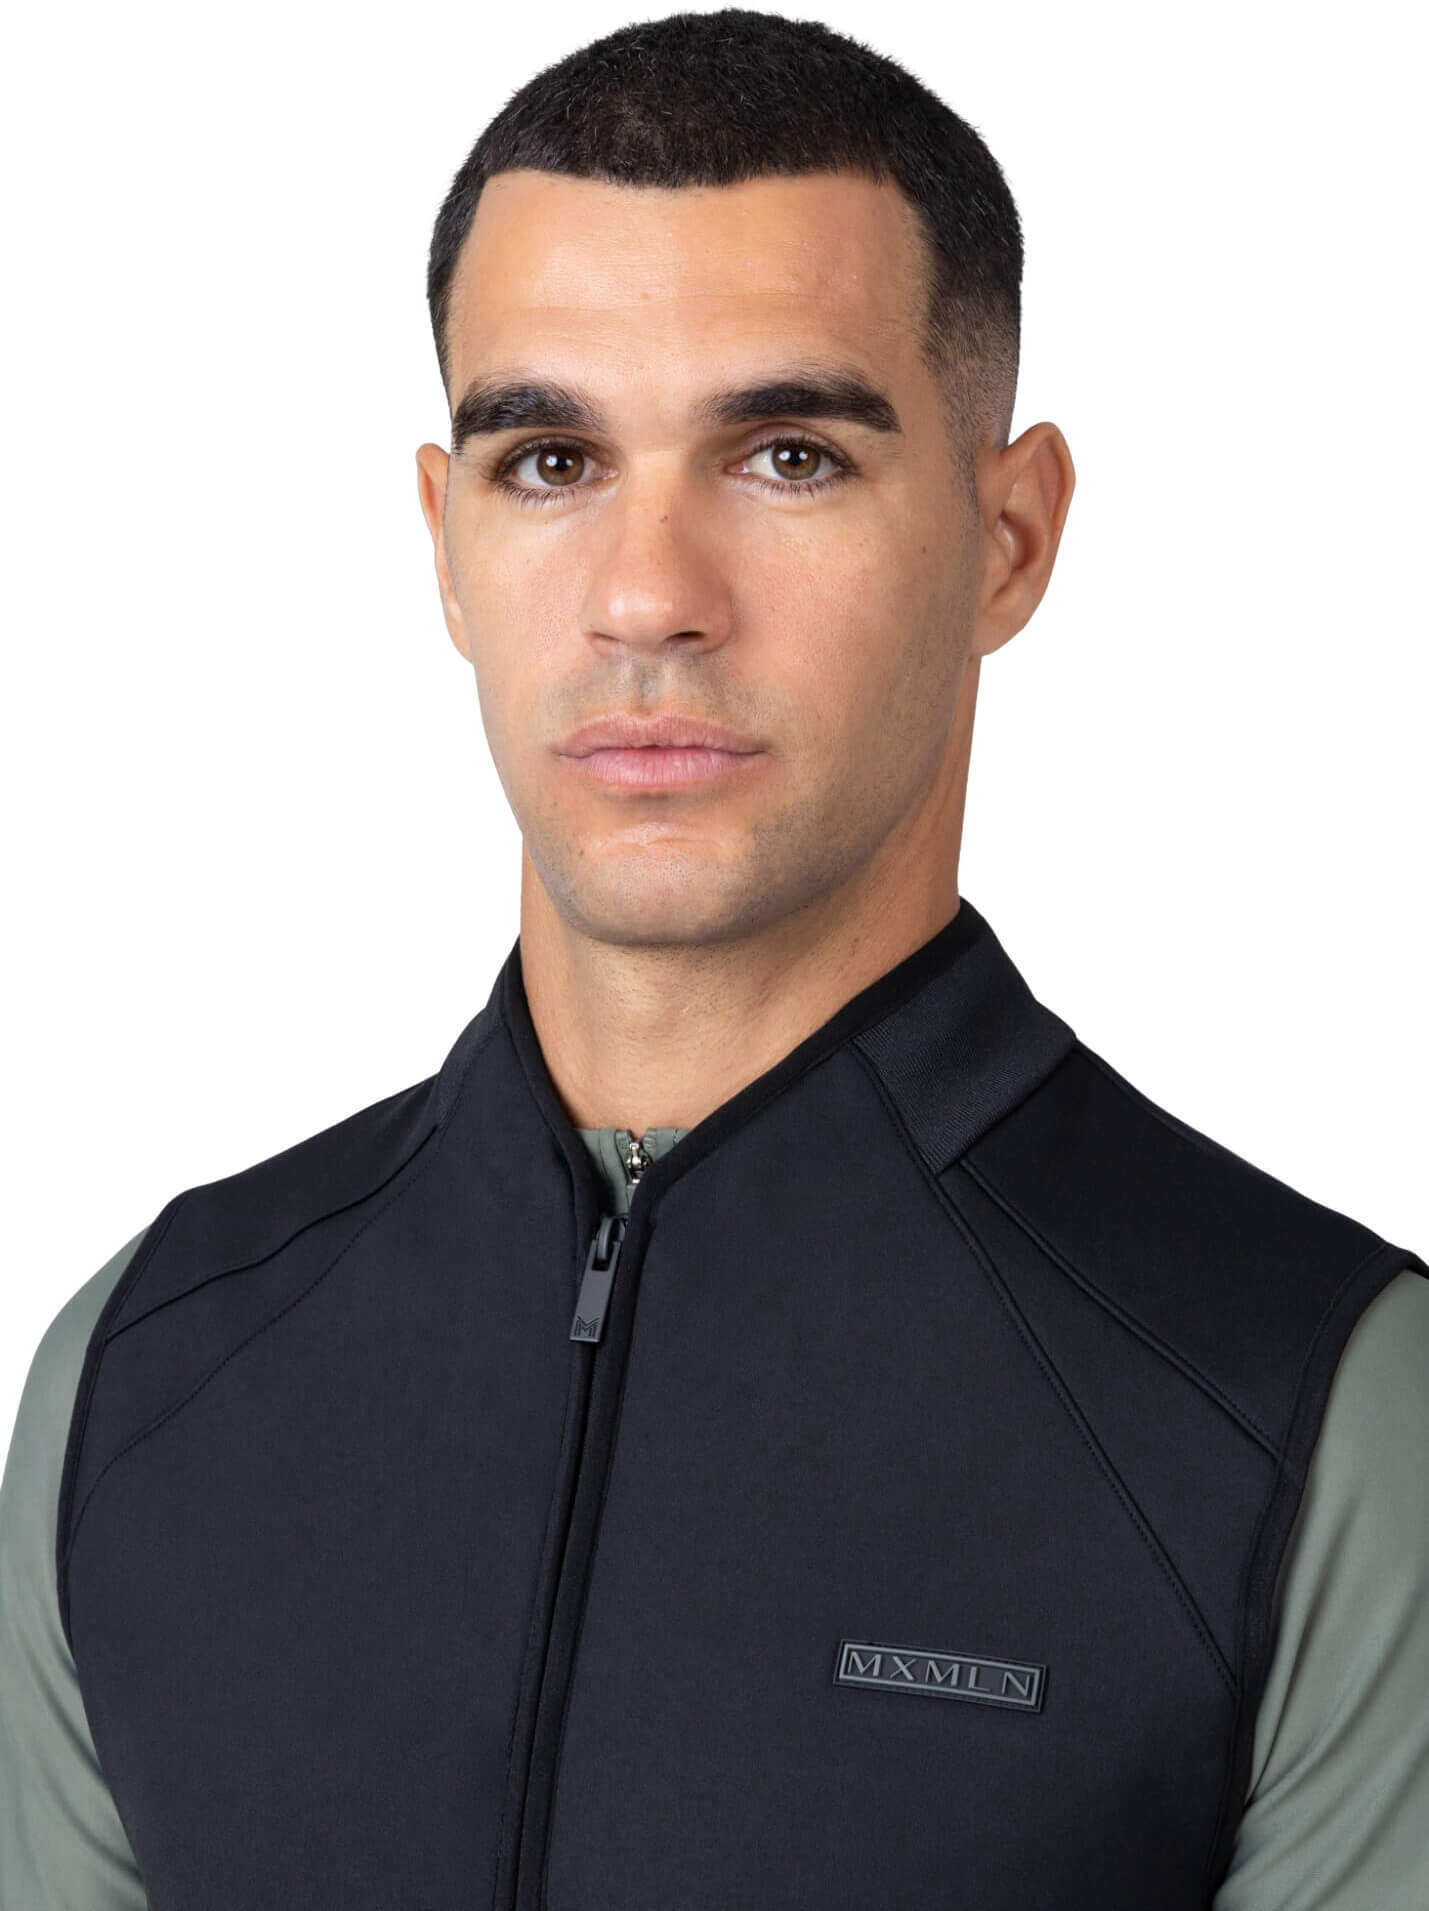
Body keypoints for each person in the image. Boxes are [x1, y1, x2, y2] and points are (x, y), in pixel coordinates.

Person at [2, 9, 1425, 1908]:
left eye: (785, 455)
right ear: (443, 542)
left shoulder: (1312, 1411)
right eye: (548, 460)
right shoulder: (145, 1370)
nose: (647, 596)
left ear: (1008, 538)